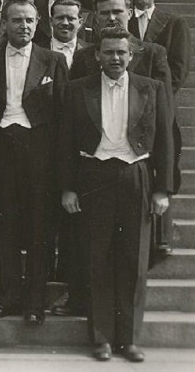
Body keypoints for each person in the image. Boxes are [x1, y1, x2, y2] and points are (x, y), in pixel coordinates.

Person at [58, 27, 171, 363]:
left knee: (134, 261)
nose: (116, 58)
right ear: (97, 55)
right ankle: (103, 338)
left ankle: (130, 339)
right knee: (98, 259)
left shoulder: (150, 88)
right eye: (109, 52)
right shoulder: (79, 90)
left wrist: (162, 189)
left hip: (135, 174)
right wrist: (68, 187)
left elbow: (164, 141)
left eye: (122, 52)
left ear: (131, 55)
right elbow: (64, 142)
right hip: (94, 176)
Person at [0, 0, 69, 325]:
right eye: (17, 20)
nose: (24, 26)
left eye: (29, 20)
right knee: (6, 226)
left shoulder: (53, 60)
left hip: (39, 150)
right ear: (5, 23)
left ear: (38, 21)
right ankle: (9, 295)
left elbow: (62, 116)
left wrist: (59, 163)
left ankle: (35, 301)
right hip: (2, 146)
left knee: (40, 227)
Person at [128, 0, 190, 254]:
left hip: (160, 103)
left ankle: (162, 237)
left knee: (162, 166)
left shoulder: (172, 21)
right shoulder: (122, 20)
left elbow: (178, 69)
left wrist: (155, 98)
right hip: (127, 105)